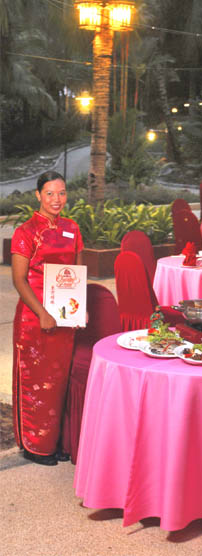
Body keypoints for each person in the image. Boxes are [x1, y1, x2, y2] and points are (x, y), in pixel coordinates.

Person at [11, 171, 84, 466]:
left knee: (59, 381)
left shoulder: (72, 228)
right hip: (35, 318)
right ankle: (35, 446)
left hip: (65, 317)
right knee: (36, 383)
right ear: (38, 195)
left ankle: (57, 443)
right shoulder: (26, 232)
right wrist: (42, 313)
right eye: (50, 193)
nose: (57, 199)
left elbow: (77, 273)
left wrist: (80, 307)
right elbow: (19, 280)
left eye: (62, 193)